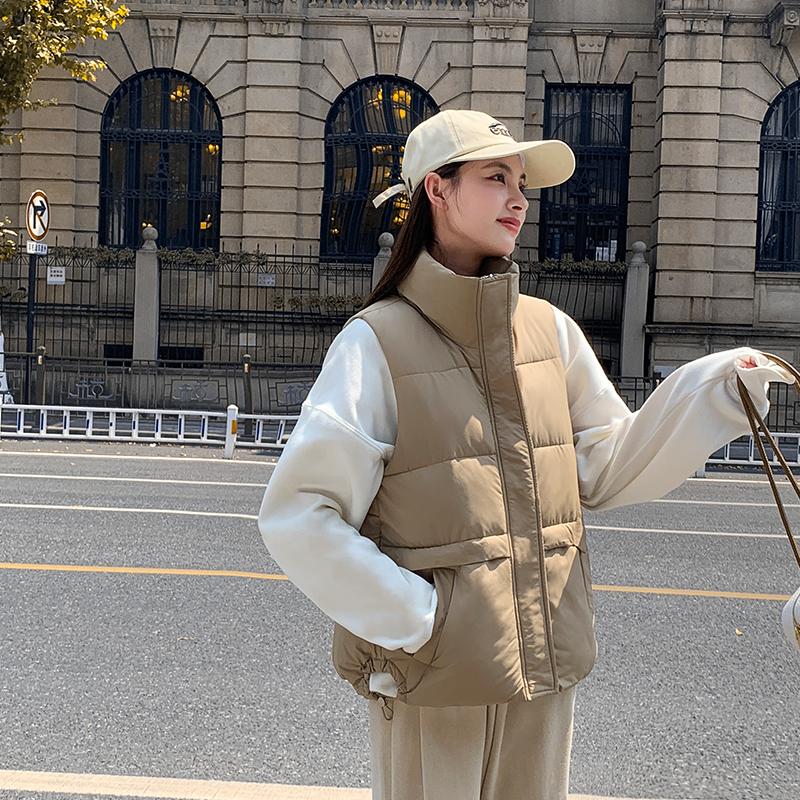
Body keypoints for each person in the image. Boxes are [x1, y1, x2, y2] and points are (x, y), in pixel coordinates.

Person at [257, 109, 795, 800]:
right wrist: (424, 622)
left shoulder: (548, 331)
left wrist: (713, 391)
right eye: (495, 178)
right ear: (437, 189)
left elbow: (605, 466)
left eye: (520, 184)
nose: (518, 200)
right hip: (434, 681)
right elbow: (299, 514)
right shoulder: (376, 342)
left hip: (544, 669)